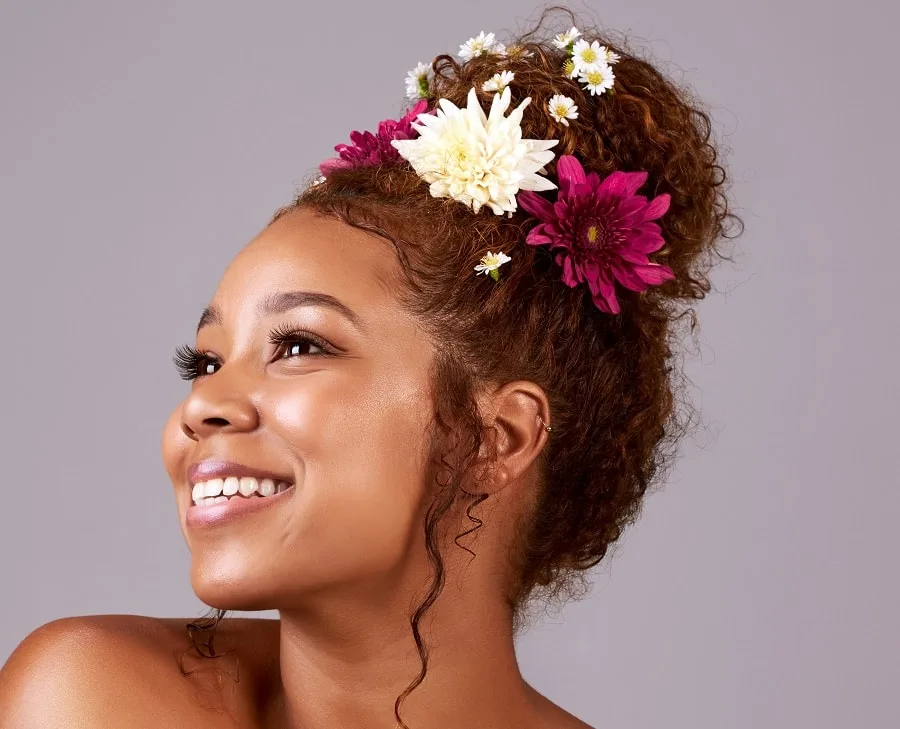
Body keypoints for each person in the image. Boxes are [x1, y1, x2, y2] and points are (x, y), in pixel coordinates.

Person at [0, 8, 740, 729]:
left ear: (498, 438)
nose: (202, 406)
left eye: (298, 346)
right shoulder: (91, 699)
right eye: (205, 359)